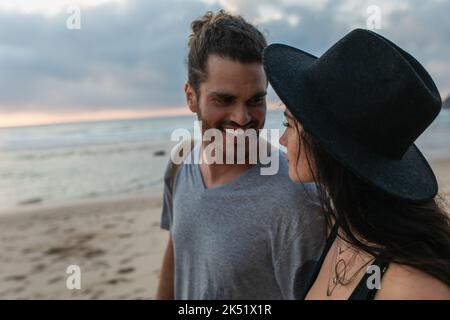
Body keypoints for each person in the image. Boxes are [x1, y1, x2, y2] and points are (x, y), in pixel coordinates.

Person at [263, 28, 450, 299]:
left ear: (327, 146)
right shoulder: (349, 226)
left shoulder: (409, 287)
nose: (281, 139)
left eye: (288, 124)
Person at [155, 10, 326, 300]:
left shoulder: (297, 202)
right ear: (191, 98)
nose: (242, 117)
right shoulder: (181, 162)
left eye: (255, 100)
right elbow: (177, 252)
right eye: (225, 99)